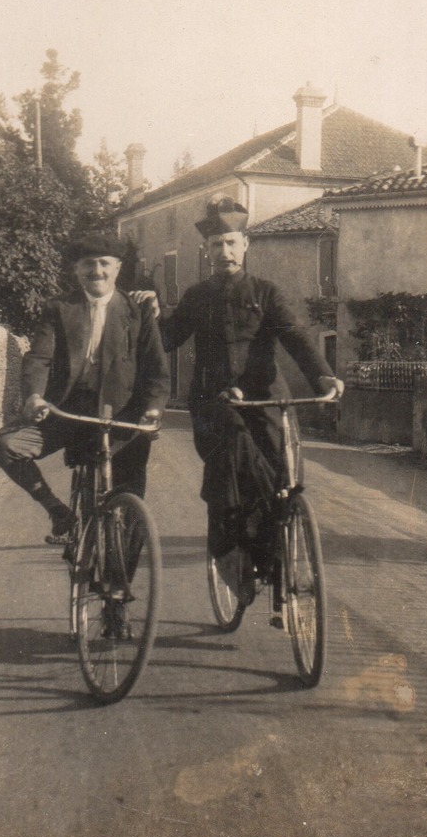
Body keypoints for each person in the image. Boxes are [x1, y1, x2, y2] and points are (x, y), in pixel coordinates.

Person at [132, 196, 343, 602]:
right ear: (206, 251)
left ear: (245, 245)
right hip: (214, 407)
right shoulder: (196, 297)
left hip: (266, 402)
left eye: (231, 243)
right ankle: (234, 559)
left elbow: (295, 336)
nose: (224, 252)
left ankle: (280, 567)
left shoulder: (266, 293)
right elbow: (168, 340)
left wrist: (323, 376)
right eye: (216, 246)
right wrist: (150, 315)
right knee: (236, 475)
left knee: (282, 482)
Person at [0, 233, 170, 541]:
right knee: (6, 447)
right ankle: (59, 512)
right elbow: (39, 358)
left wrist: (153, 410)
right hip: (67, 414)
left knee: (129, 507)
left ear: (117, 268)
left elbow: (156, 370)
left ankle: (119, 582)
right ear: (76, 269)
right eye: (88, 264)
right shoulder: (59, 308)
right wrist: (34, 396)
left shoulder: (137, 310)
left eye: (104, 264)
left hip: (123, 418)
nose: (96, 271)